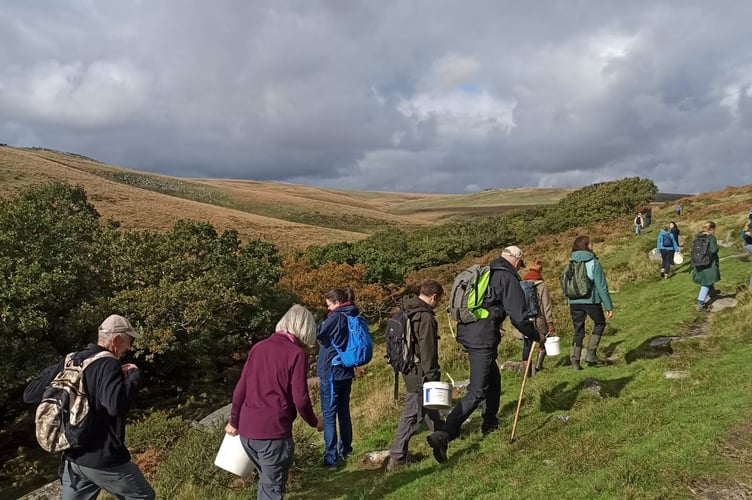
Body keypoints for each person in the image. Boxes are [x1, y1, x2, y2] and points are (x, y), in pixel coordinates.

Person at [426, 246, 543, 464]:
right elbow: (519, 315)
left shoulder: (486, 272)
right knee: (477, 390)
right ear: (516, 261)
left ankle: (490, 424)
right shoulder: (508, 279)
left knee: (494, 380)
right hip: (482, 339)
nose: (519, 267)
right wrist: (535, 335)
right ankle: (444, 434)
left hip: (469, 333)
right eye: (520, 263)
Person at [23, 314, 155, 500]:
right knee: (143, 496)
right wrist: (134, 376)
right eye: (129, 341)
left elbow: (30, 394)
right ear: (116, 339)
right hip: (103, 459)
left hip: (73, 458)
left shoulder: (71, 360)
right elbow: (115, 406)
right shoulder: (108, 363)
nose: (130, 347)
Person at [225, 304, 323, 500]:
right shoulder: (296, 354)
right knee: (272, 490)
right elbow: (301, 399)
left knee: (267, 483)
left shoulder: (258, 347)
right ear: (305, 330)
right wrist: (315, 421)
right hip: (273, 432)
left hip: (247, 433)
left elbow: (240, 390)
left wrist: (234, 422)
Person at [387, 280, 445, 472]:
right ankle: (397, 457)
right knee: (412, 413)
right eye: (439, 300)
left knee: (430, 407)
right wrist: (432, 375)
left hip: (407, 368)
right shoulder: (425, 317)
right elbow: (428, 350)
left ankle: (444, 435)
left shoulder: (406, 309)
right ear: (434, 296)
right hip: (419, 370)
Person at [316, 287, 358, 469]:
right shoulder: (354, 315)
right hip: (346, 369)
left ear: (338, 303)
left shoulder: (336, 317)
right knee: (344, 411)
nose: (328, 309)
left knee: (329, 414)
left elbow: (318, 333)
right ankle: (346, 449)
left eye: (330, 305)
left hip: (331, 371)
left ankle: (331, 458)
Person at [567, 236, 614, 370]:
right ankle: (591, 354)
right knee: (600, 323)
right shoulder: (593, 262)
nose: (593, 246)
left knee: (578, 330)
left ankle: (575, 361)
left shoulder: (571, 261)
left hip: (574, 301)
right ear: (586, 246)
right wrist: (608, 306)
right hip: (590, 300)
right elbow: (601, 286)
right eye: (591, 244)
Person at [514, 259, 556, 373]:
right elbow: (546, 306)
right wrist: (550, 323)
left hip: (524, 320)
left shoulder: (520, 284)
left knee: (527, 345)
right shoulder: (542, 285)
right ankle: (538, 367)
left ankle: (527, 373)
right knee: (544, 341)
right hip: (539, 320)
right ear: (540, 271)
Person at [692, 221, 721, 311]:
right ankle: (700, 303)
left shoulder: (698, 237)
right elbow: (713, 250)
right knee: (706, 282)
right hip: (708, 263)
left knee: (706, 279)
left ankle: (711, 291)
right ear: (711, 229)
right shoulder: (711, 238)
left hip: (698, 262)